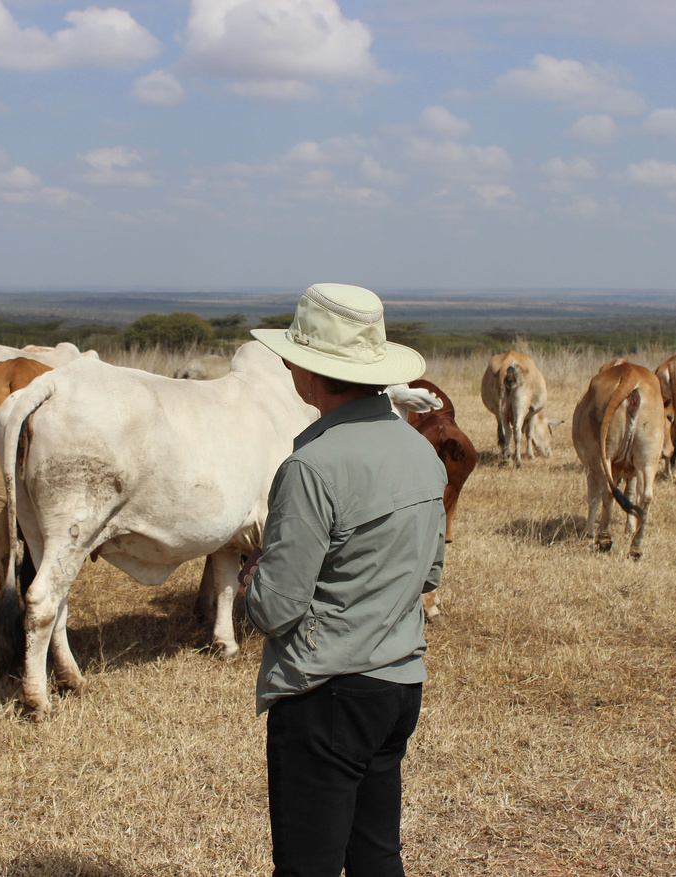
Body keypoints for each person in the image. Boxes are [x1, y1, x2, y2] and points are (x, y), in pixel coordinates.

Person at [241, 282, 447, 877]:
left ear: (310, 373)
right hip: (398, 685)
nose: (287, 366)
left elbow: (277, 610)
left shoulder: (311, 466)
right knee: (376, 855)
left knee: (307, 866)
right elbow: (429, 573)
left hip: (325, 692)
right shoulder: (421, 453)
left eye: (294, 358)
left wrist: (254, 579)